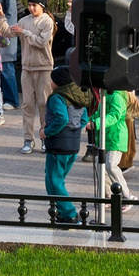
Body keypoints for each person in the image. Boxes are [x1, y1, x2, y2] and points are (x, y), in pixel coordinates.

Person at [41, 64, 89, 223]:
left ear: (59, 82)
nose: (49, 81)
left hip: (58, 145)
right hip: (73, 146)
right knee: (57, 179)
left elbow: (62, 118)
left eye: (52, 79)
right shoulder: (79, 96)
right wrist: (73, 131)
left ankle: (69, 213)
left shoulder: (57, 97)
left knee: (54, 180)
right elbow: (83, 120)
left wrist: (47, 131)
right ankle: (61, 211)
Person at [14, 0, 56, 157]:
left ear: (42, 6)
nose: (31, 8)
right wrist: (1, 17)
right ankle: (28, 139)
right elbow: (9, 32)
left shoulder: (47, 21)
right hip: (27, 68)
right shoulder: (24, 21)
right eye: (29, 5)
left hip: (44, 67)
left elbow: (41, 42)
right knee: (27, 104)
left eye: (35, 5)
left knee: (44, 104)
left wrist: (24, 33)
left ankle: (45, 137)